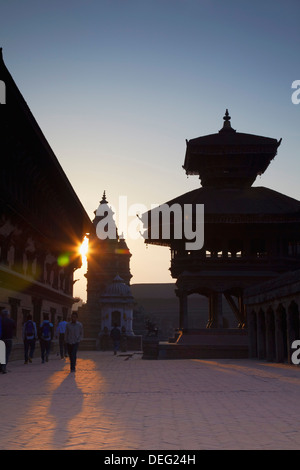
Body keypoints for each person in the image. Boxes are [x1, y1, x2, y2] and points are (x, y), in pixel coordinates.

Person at [0, 309, 16, 373]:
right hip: (9, 339)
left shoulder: (0, 321)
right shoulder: (11, 321)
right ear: (8, 314)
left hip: (1, 339)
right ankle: (3, 368)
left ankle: (1, 367)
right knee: (6, 354)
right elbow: (14, 328)